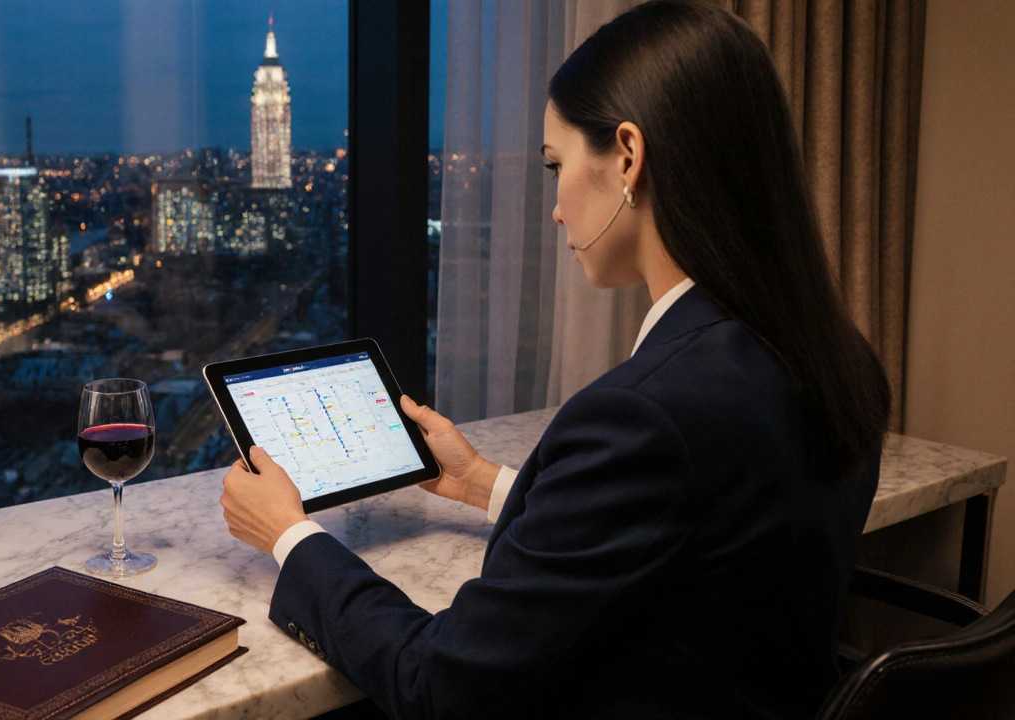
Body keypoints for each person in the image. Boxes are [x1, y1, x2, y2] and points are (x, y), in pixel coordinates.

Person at [220, 1, 891, 718]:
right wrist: (482, 482)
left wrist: (289, 535)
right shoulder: (834, 356)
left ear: (629, 157)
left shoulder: (647, 416)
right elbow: (684, 544)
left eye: (555, 165)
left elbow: (439, 685)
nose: (557, 209)